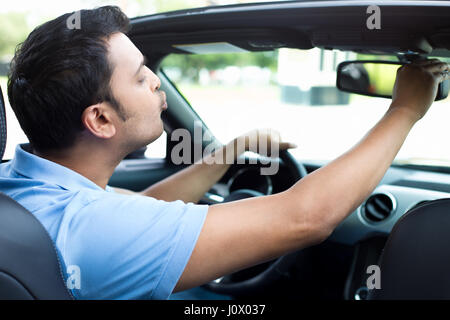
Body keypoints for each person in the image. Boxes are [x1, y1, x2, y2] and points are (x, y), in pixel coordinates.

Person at [0, 6, 449, 300]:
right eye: (141, 77)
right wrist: (407, 108)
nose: (157, 82)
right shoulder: (92, 229)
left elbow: (142, 211)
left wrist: (233, 151)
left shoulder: (26, 188)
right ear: (100, 121)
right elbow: (305, 218)